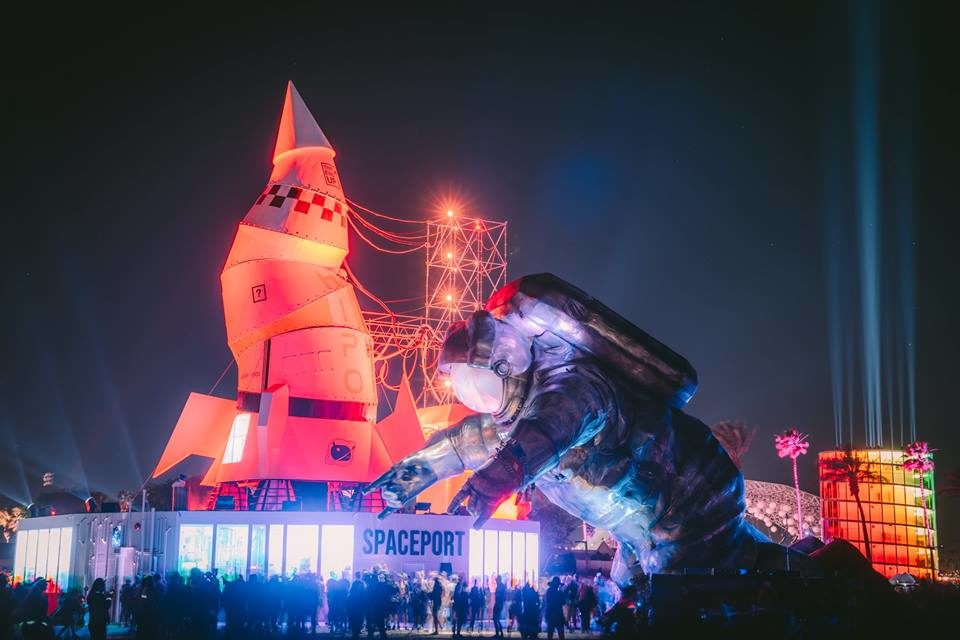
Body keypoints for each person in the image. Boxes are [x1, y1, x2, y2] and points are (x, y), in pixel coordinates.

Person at [347, 572, 367, 640]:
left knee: (354, 618)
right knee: (359, 618)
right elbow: (364, 593)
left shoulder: (354, 583)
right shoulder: (362, 583)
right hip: (360, 604)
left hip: (354, 604)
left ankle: (355, 632)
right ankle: (357, 631)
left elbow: (350, 594)